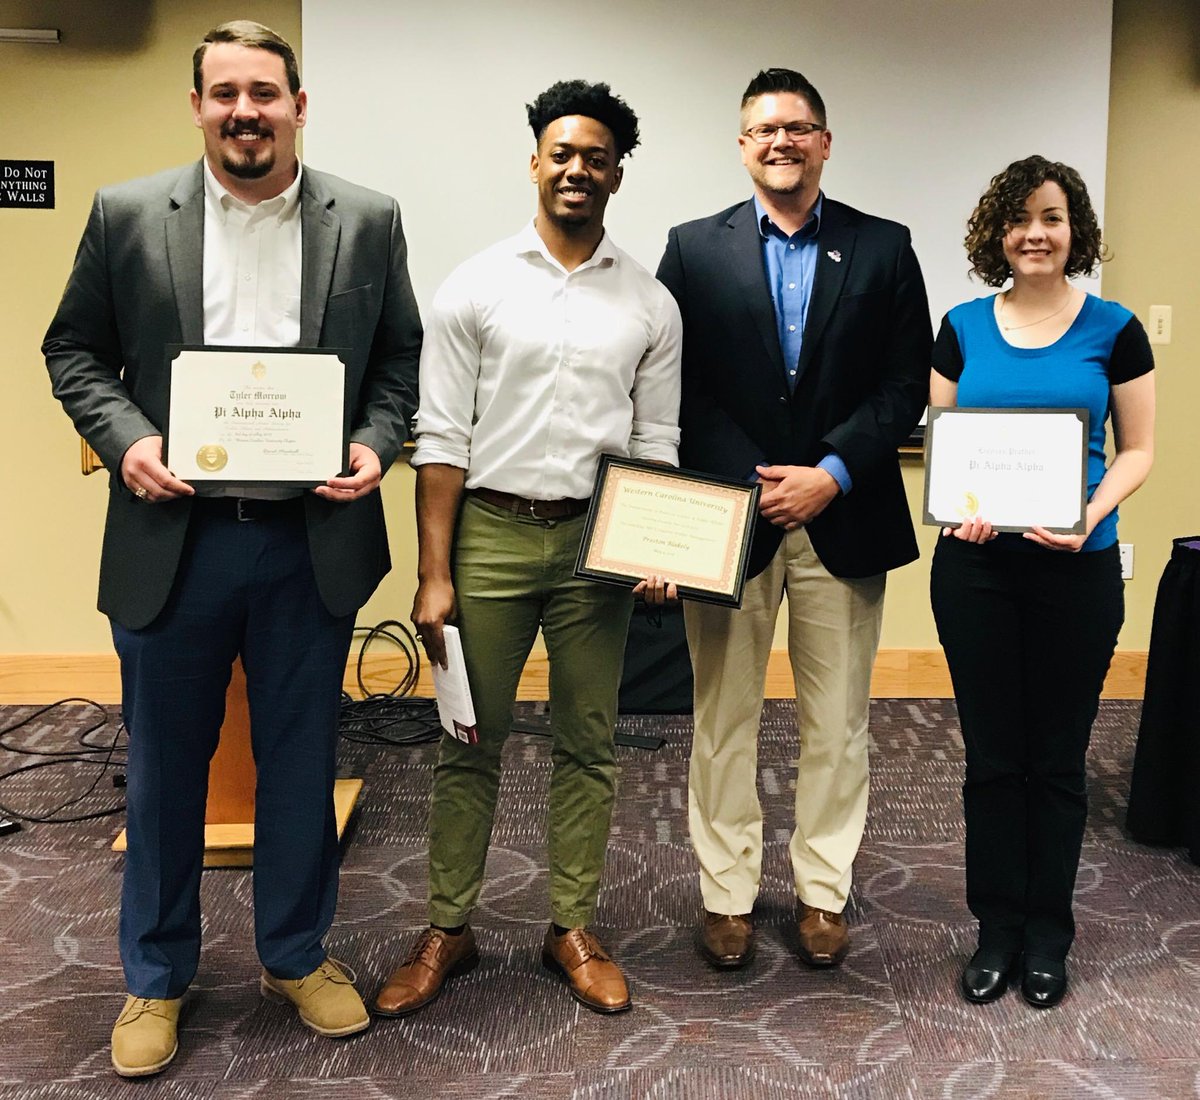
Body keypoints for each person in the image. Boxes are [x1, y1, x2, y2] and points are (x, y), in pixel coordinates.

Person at [42, 20, 422, 1076]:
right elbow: (72, 346)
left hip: (312, 539)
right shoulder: (127, 215)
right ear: (199, 106)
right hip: (179, 537)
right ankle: (156, 976)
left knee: (303, 760)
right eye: (223, 94)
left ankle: (295, 953)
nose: (244, 111)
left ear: (300, 104)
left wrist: (374, 442)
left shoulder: (368, 217)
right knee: (166, 767)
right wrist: (128, 439)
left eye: (264, 91)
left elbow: (400, 357)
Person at [373, 79, 680, 1019]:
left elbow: (655, 442)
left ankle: (571, 928)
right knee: (469, 739)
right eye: (562, 152)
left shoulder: (651, 302)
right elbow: (440, 440)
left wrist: (660, 544)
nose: (577, 168)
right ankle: (449, 930)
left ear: (617, 173)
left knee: (590, 745)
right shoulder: (476, 283)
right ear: (536, 161)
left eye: (596, 156)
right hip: (490, 541)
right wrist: (433, 575)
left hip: (599, 544)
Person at [656, 68, 930, 971]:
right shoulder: (693, 249)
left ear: (825, 141)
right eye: (765, 129)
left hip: (842, 516)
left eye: (799, 127)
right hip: (731, 520)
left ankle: (822, 888)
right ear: (742, 145)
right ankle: (727, 894)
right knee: (722, 717)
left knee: (838, 721)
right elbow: (676, 383)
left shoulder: (884, 248)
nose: (783, 141)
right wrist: (757, 480)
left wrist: (832, 473)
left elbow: (903, 385)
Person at [930, 155, 1154, 1009]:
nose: (1036, 233)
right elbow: (949, 447)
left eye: (1053, 217)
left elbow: (1136, 450)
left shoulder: (1115, 328)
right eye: (1020, 218)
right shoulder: (959, 326)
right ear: (997, 233)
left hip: (1078, 570)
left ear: (1075, 231)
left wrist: (1089, 514)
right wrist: (962, 509)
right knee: (991, 757)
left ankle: (1049, 936)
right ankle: (995, 929)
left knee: (1057, 760)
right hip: (978, 569)